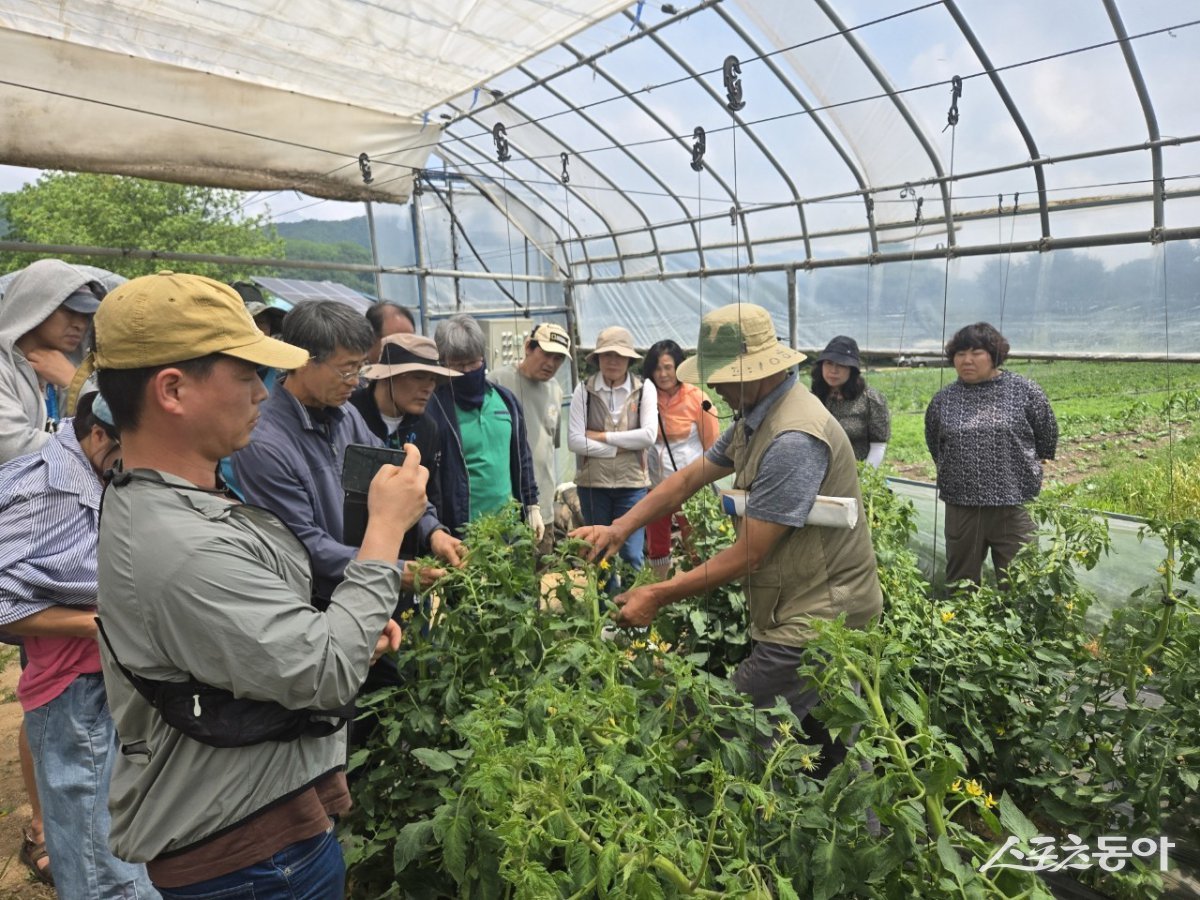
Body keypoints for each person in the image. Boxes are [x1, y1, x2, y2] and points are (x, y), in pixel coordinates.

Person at [89, 270, 426, 897]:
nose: (263, 395)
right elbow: (322, 671)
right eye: (246, 375)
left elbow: (267, 640)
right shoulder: (183, 544)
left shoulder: (178, 501)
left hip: (262, 831)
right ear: (172, 390)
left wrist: (346, 627)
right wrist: (385, 535)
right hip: (254, 864)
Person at [572, 304, 882, 772]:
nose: (712, 385)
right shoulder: (754, 421)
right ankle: (848, 829)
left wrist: (656, 593)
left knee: (732, 728)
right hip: (803, 607)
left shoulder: (793, 438)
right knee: (827, 744)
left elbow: (749, 553)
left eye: (722, 374)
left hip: (819, 620)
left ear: (756, 373)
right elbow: (686, 479)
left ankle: (831, 830)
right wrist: (619, 528)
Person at [0, 392, 157, 899]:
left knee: (115, 841)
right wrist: (95, 623)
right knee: (101, 864)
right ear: (97, 435)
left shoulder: (90, 468)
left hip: (108, 685)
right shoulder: (50, 491)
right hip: (77, 693)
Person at [233, 301, 462, 607]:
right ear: (302, 360)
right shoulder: (265, 445)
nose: (356, 381)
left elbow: (393, 482)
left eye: (359, 367)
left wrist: (433, 532)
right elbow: (304, 546)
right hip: (323, 606)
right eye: (346, 370)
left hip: (371, 589)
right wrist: (388, 570)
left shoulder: (345, 416)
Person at [925, 322, 1058, 587]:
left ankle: (1017, 629)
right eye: (960, 354)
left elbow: (1047, 437)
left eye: (976, 352)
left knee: (1022, 583)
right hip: (961, 505)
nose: (967, 360)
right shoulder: (944, 400)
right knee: (961, 583)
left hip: (1013, 503)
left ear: (994, 354)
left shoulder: (1024, 391)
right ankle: (965, 627)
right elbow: (936, 445)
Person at [428, 314, 541, 538]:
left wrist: (532, 506)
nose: (468, 371)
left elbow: (522, 456)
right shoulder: (435, 409)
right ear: (443, 363)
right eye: (459, 365)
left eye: (474, 362)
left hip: (510, 532)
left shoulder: (505, 400)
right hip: (462, 534)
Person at [567, 326, 658, 582]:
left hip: (632, 485)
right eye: (607, 355)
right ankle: (603, 616)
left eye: (619, 355)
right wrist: (621, 447)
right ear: (597, 358)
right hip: (593, 484)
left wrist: (600, 436)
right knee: (597, 553)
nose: (613, 361)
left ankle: (633, 614)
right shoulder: (583, 391)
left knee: (632, 555)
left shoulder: (644, 389)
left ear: (629, 359)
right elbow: (575, 441)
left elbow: (649, 436)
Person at [351, 332, 460, 536]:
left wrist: (435, 535)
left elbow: (431, 495)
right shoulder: (349, 414)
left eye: (433, 379)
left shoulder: (428, 428)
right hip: (351, 544)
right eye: (418, 377)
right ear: (387, 377)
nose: (428, 387)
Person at [0, 257, 105, 463]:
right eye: (70, 311)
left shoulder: (65, 370)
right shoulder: (3, 369)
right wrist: (93, 450)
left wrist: (77, 383)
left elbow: (114, 433)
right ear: (35, 306)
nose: (80, 324)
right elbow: (15, 450)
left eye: (86, 315)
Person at [490, 322, 572, 553]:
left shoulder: (555, 389)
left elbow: (549, 448)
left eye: (558, 359)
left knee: (535, 580)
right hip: (505, 506)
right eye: (546, 354)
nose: (551, 364)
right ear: (528, 347)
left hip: (542, 507)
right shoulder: (497, 382)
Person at [641, 339, 718, 579]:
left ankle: (700, 588)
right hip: (656, 485)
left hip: (691, 486)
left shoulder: (697, 398)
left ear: (679, 367)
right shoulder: (646, 398)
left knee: (696, 540)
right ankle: (659, 589)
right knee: (657, 543)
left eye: (668, 367)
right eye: (656, 368)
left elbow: (714, 446)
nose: (662, 374)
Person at [810, 335, 891, 467]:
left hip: (854, 472)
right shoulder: (812, 398)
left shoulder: (870, 399)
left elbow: (878, 445)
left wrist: (864, 477)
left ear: (852, 370)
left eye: (841, 365)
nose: (833, 370)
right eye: (829, 363)